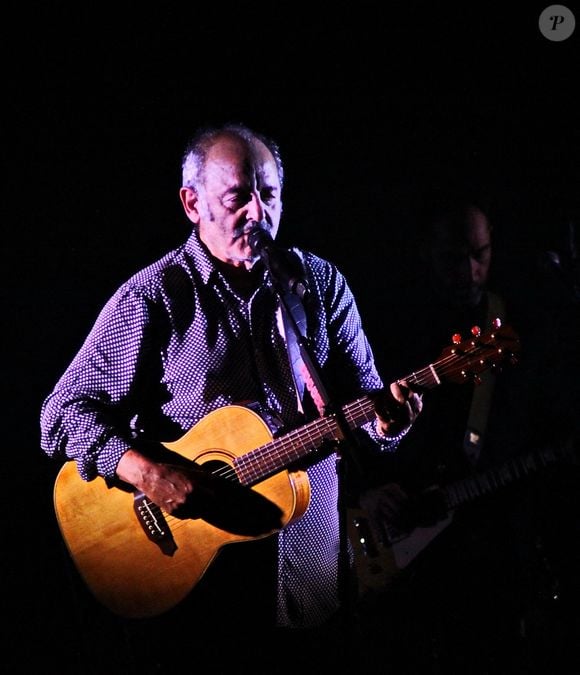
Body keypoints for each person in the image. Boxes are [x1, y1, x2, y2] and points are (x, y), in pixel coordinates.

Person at [39, 122, 422, 673]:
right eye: (239, 196)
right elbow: (61, 414)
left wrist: (389, 420)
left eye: (268, 195)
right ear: (192, 204)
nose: (258, 213)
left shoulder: (319, 284)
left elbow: (366, 401)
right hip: (200, 582)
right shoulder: (156, 295)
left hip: (311, 567)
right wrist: (147, 474)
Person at [349, 186, 580, 673]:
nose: (470, 271)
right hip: (405, 544)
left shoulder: (510, 327)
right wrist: (369, 490)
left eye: (481, 254)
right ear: (425, 253)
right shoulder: (392, 324)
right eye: (454, 257)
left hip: (491, 541)